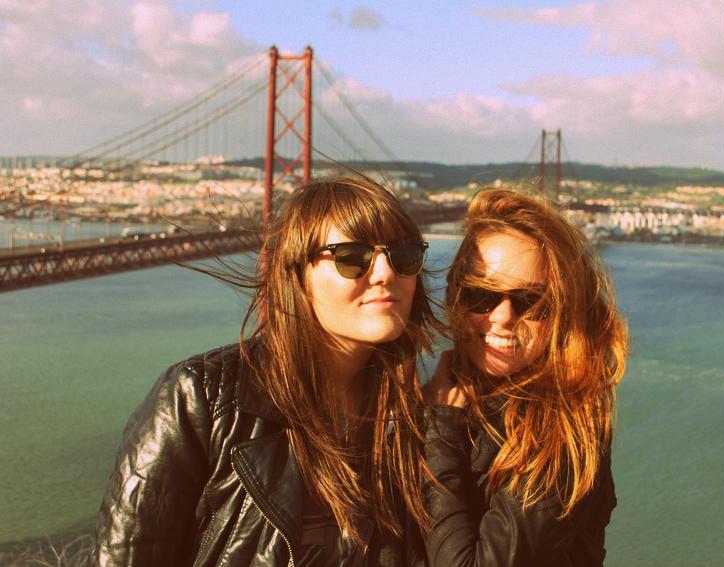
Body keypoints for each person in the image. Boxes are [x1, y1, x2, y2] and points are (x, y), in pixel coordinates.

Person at [90, 176, 435, 566]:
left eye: (403, 256)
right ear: (297, 275)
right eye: (352, 257)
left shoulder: (412, 419)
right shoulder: (200, 400)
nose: (386, 273)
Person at [424, 188, 628, 566]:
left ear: (561, 312)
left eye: (529, 300)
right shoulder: (433, 402)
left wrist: (441, 431)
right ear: (455, 295)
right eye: (481, 295)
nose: (502, 317)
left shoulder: (564, 434)